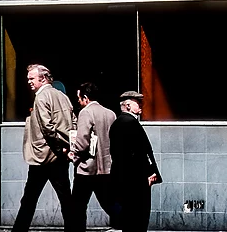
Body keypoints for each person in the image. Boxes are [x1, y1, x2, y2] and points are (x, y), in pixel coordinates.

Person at [12, 64, 75, 232]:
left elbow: (47, 128)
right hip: (59, 157)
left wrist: (59, 148)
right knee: (65, 198)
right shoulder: (62, 96)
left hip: (43, 157)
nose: (29, 82)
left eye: (32, 78)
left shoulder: (41, 97)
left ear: (43, 78)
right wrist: (68, 148)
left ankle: (18, 231)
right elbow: (73, 122)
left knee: (29, 199)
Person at [109, 91, 161, 232]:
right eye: (137, 103)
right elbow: (143, 151)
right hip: (137, 178)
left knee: (127, 218)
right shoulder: (132, 123)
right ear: (128, 105)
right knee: (140, 217)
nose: (140, 105)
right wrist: (151, 171)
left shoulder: (116, 124)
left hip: (122, 177)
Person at [69, 82, 117, 232]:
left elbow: (82, 142)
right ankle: (129, 224)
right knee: (109, 202)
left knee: (77, 206)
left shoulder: (85, 112)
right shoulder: (111, 113)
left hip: (87, 168)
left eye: (79, 98)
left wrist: (73, 155)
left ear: (86, 98)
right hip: (106, 167)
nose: (78, 101)